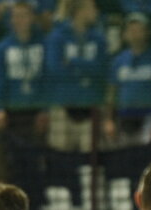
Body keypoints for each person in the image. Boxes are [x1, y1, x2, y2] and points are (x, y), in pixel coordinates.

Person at [44, 0, 108, 152]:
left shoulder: (98, 39)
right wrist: (88, 69)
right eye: (92, 7)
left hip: (91, 106)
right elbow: (55, 70)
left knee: (91, 156)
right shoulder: (57, 37)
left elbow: (102, 70)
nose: (96, 12)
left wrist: (73, 62)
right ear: (81, 10)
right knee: (61, 156)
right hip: (63, 106)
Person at [105, 13, 151, 146]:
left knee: (148, 158)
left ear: (147, 32)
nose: (134, 33)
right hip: (123, 118)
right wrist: (109, 120)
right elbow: (111, 92)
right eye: (131, 30)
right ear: (125, 34)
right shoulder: (118, 61)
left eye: (139, 29)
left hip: (149, 118)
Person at [0, 0, 48, 147]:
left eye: (23, 15)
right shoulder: (2, 47)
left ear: (32, 18)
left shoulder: (44, 44)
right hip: (12, 110)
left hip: (36, 110)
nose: (19, 20)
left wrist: (45, 110)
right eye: (15, 16)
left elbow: (48, 79)